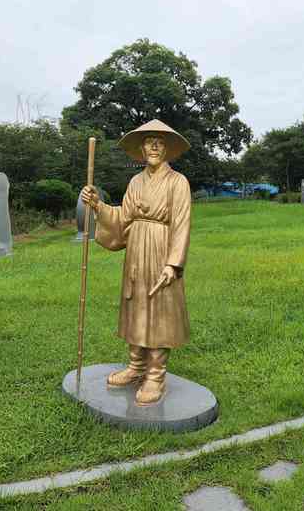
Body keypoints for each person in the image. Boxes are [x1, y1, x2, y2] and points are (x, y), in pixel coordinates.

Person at [81, 119, 191, 406]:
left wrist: (173, 264)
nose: (154, 147)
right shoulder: (135, 182)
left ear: (167, 149)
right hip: (136, 250)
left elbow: (181, 224)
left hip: (162, 248)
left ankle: (155, 375)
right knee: (136, 305)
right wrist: (98, 205)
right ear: (141, 149)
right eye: (149, 142)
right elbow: (123, 218)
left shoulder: (178, 182)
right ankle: (136, 366)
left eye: (159, 142)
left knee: (159, 309)